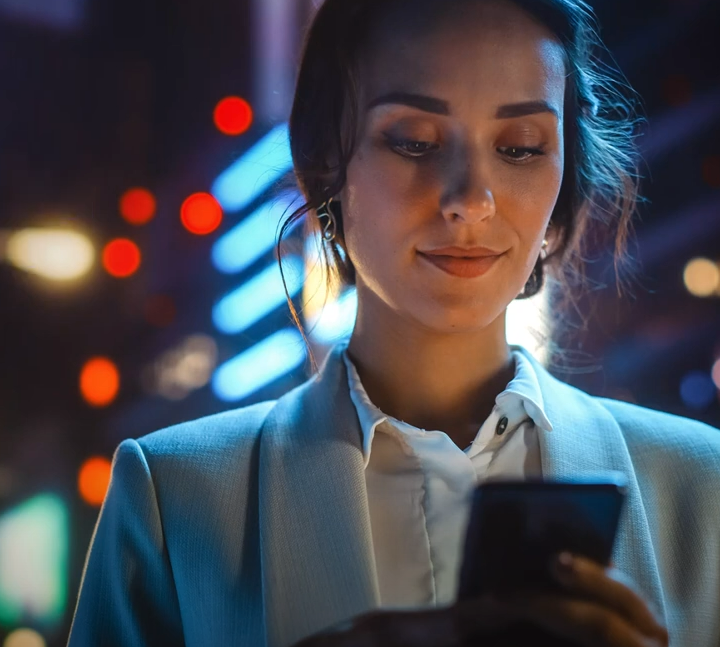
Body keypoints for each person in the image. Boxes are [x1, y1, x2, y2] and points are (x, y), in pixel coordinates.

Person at [67, 0, 720, 646]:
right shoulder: (172, 498)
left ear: (564, 179)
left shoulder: (702, 487)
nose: (471, 199)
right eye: (414, 141)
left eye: (520, 147)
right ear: (326, 164)